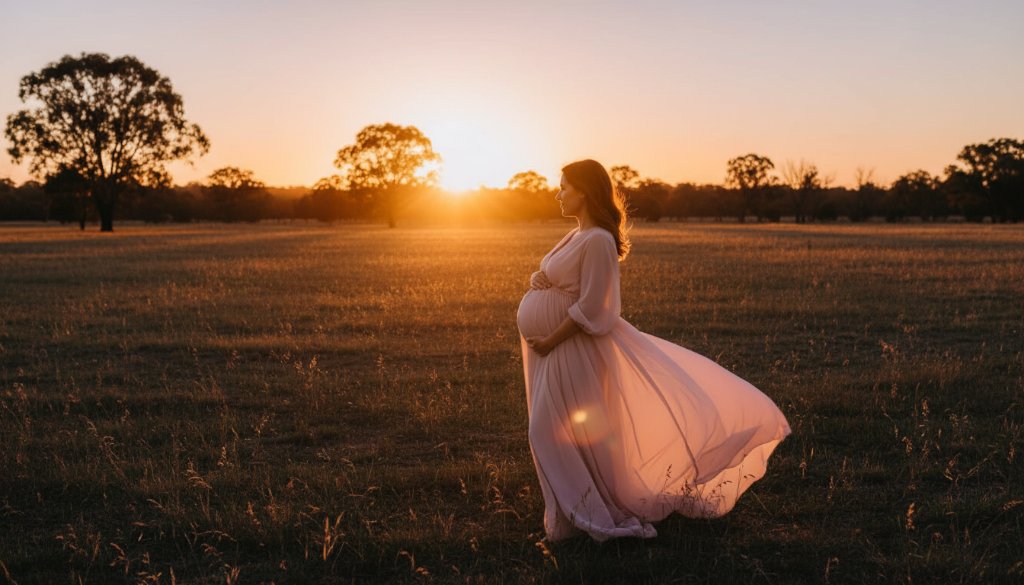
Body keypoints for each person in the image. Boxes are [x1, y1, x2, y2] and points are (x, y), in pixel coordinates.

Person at [517, 159, 791, 542]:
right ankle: (569, 517)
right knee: (563, 435)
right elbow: (563, 282)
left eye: (564, 186)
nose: (558, 193)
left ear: (584, 191)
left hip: (571, 349)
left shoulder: (597, 239)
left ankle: (591, 515)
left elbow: (595, 305)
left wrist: (550, 338)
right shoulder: (577, 234)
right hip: (554, 350)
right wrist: (542, 281)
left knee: (547, 431)